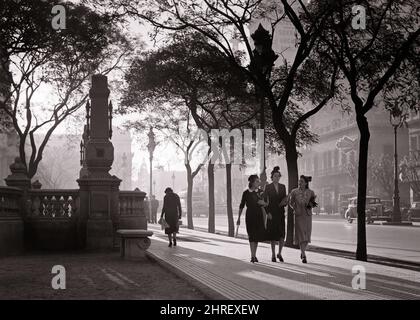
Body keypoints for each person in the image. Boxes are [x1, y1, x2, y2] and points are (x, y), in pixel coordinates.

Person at [237, 175, 267, 263]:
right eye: (257, 181)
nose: (259, 183)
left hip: (259, 216)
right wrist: (238, 218)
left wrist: (263, 203)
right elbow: (241, 205)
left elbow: (266, 203)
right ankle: (252, 256)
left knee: (256, 236)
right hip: (250, 215)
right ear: (252, 183)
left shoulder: (261, 192)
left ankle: (254, 255)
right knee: (251, 235)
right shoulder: (246, 193)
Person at [289, 175, 317, 263]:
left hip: (307, 216)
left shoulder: (311, 192)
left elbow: (313, 203)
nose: (299, 183)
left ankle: (302, 251)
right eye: (299, 181)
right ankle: (304, 254)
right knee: (301, 235)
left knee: (306, 236)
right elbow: (291, 202)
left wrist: (312, 204)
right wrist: (294, 208)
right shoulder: (294, 192)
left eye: (301, 181)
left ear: (305, 183)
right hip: (298, 216)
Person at [264, 166, 288, 262]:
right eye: (275, 176)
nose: (277, 178)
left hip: (281, 213)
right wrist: (267, 213)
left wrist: (285, 202)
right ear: (272, 177)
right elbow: (264, 201)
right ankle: (273, 254)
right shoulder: (268, 187)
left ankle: (279, 253)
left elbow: (284, 200)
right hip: (272, 214)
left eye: (278, 176)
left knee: (282, 234)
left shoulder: (283, 187)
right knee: (273, 235)